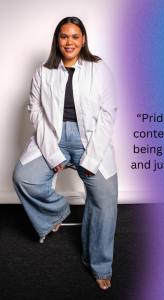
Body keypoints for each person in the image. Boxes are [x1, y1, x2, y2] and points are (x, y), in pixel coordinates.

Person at [12, 16, 118, 290]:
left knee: (105, 201)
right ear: (57, 41)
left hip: (90, 141)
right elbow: (34, 109)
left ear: (83, 40)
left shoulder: (99, 69)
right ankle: (56, 212)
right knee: (24, 177)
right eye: (63, 36)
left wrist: (92, 159)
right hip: (53, 137)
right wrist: (51, 150)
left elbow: (108, 114)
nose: (69, 42)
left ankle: (99, 265)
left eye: (74, 36)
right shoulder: (43, 71)